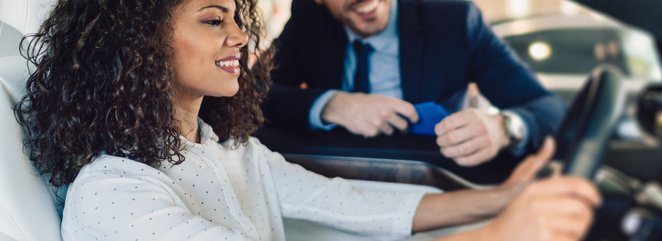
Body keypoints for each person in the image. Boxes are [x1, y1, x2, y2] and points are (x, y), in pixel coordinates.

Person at [15, 0, 599, 240]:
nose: (242, 39)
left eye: (235, 18)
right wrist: (497, 236)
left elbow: (344, 198)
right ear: (138, 43)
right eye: (214, 20)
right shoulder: (116, 194)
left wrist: (499, 199)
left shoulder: (225, 148)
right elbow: (282, 96)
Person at [264, 0, 567, 167]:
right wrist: (330, 105)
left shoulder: (453, 19)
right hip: (330, 179)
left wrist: (504, 128)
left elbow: (549, 110)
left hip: (435, 180)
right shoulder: (309, 20)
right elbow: (254, 94)